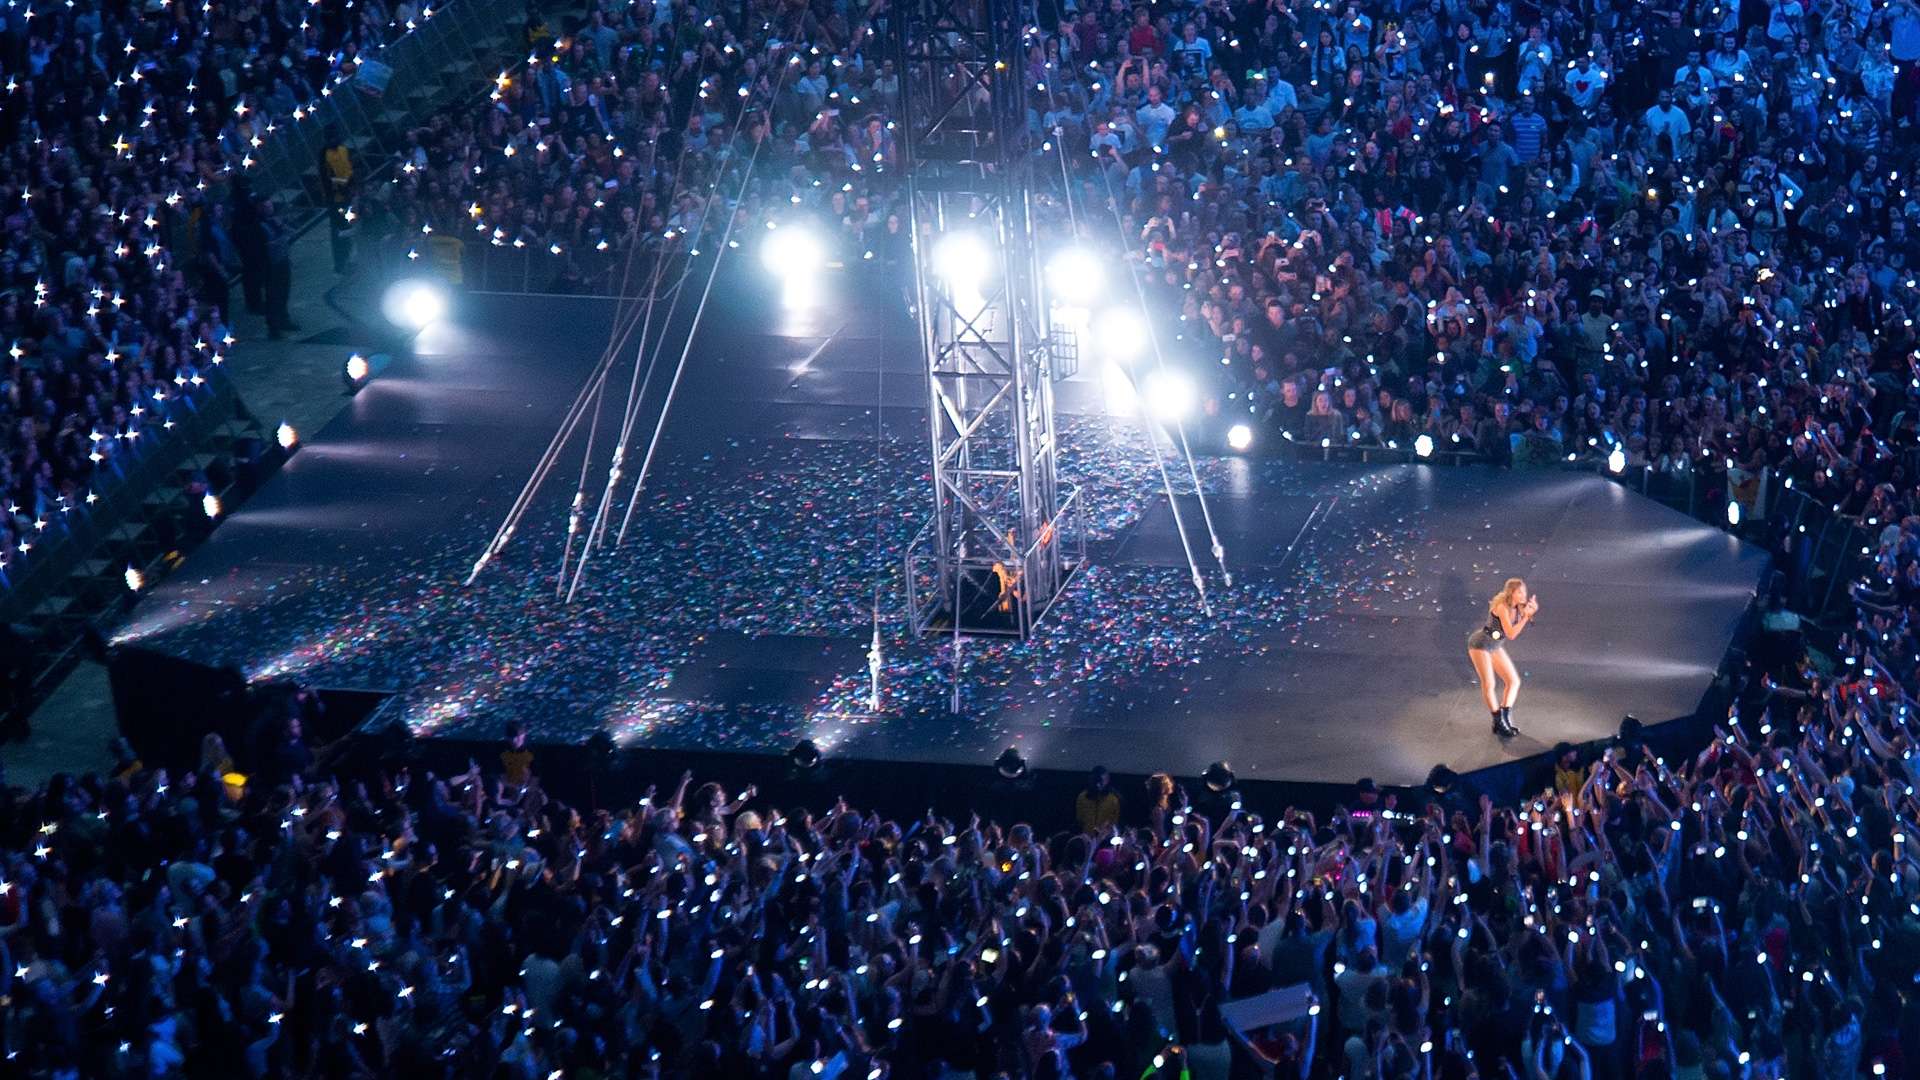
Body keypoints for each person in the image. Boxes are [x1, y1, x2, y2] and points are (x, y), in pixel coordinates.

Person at [1466, 577, 1537, 737]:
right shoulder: (1502, 607)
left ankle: (1504, 717)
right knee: (1489, 682)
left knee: (1513, 681)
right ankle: (1497, 721)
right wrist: (1525, 617)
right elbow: (1511, 634)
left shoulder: (1518, 607)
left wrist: (1530, 611)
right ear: (1511, 593)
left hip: (1495, 645)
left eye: (1524, 591)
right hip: (1481, 644)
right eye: (1520, 592)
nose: (1523, 595)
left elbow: (1527, 618)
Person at [1075, 766, 1120, 832]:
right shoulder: (1083, 797)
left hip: (1105, 837)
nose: (1098, 785)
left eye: (1102, 782)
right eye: (1097, 781)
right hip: (1087, 836)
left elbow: (1114, 822)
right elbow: (1079, 818)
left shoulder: (1113, 800)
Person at [501, 722, 534, 788]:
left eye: (517, 736)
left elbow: (536, 777)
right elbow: (501, 778)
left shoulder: (531, 754)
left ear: (523, 735)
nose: (514, 740)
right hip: (508, 791)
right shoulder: (503, 754)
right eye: (511, 737)